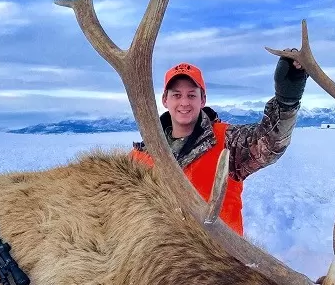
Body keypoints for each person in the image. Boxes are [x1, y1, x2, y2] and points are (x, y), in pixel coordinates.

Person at [130, 54, 307, 236]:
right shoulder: (140, 155)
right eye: (177, 95)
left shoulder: (228, 141)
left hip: (217, 259)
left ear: (203, 100)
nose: (184, 102)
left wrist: (286, 101)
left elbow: (269, 143)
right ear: (165, 100)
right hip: (156, 260)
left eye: (192, 95)